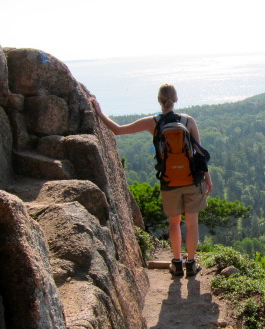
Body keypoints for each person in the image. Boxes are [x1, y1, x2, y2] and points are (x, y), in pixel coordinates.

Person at [90, 84, 212, 277]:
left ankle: (176, 264)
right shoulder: (188, 121)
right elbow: (199, 154)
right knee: (192, 223)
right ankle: (191, 263)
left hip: (169, 181)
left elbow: (118, 130)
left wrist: (99, 111)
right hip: (192, 180)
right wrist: (207, 179)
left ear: (159, 100)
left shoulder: (152, 122)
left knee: (174, 223)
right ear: (176, 99)